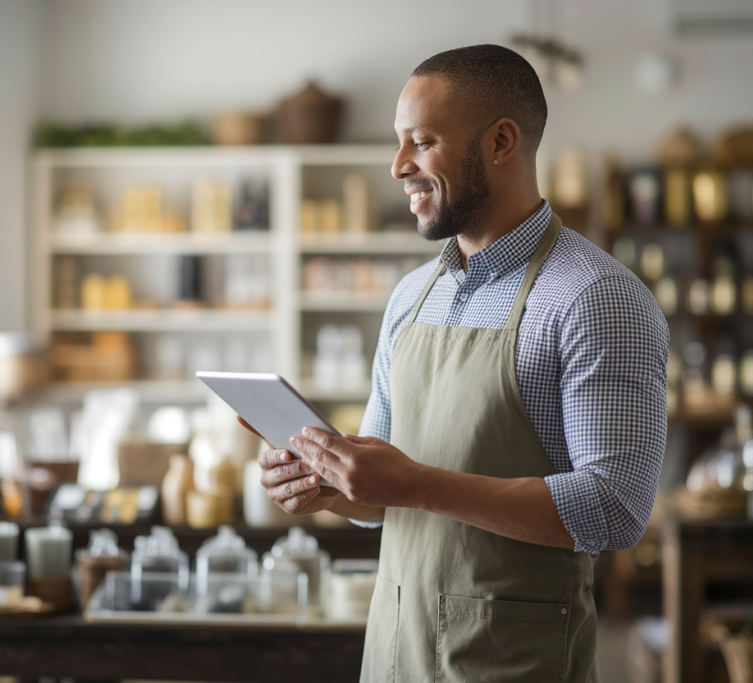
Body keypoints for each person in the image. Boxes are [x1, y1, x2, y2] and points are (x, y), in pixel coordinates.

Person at [243, 44, 668, 682]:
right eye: (398, 141)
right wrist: (330, 484)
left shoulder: (596, 298)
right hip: (395, 654)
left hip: (511, 662)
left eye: (422, 140)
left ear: (501, 142)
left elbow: (616, 507)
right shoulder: (411, 297)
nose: (397, 165)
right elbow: (383, 488)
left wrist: (416, 483)